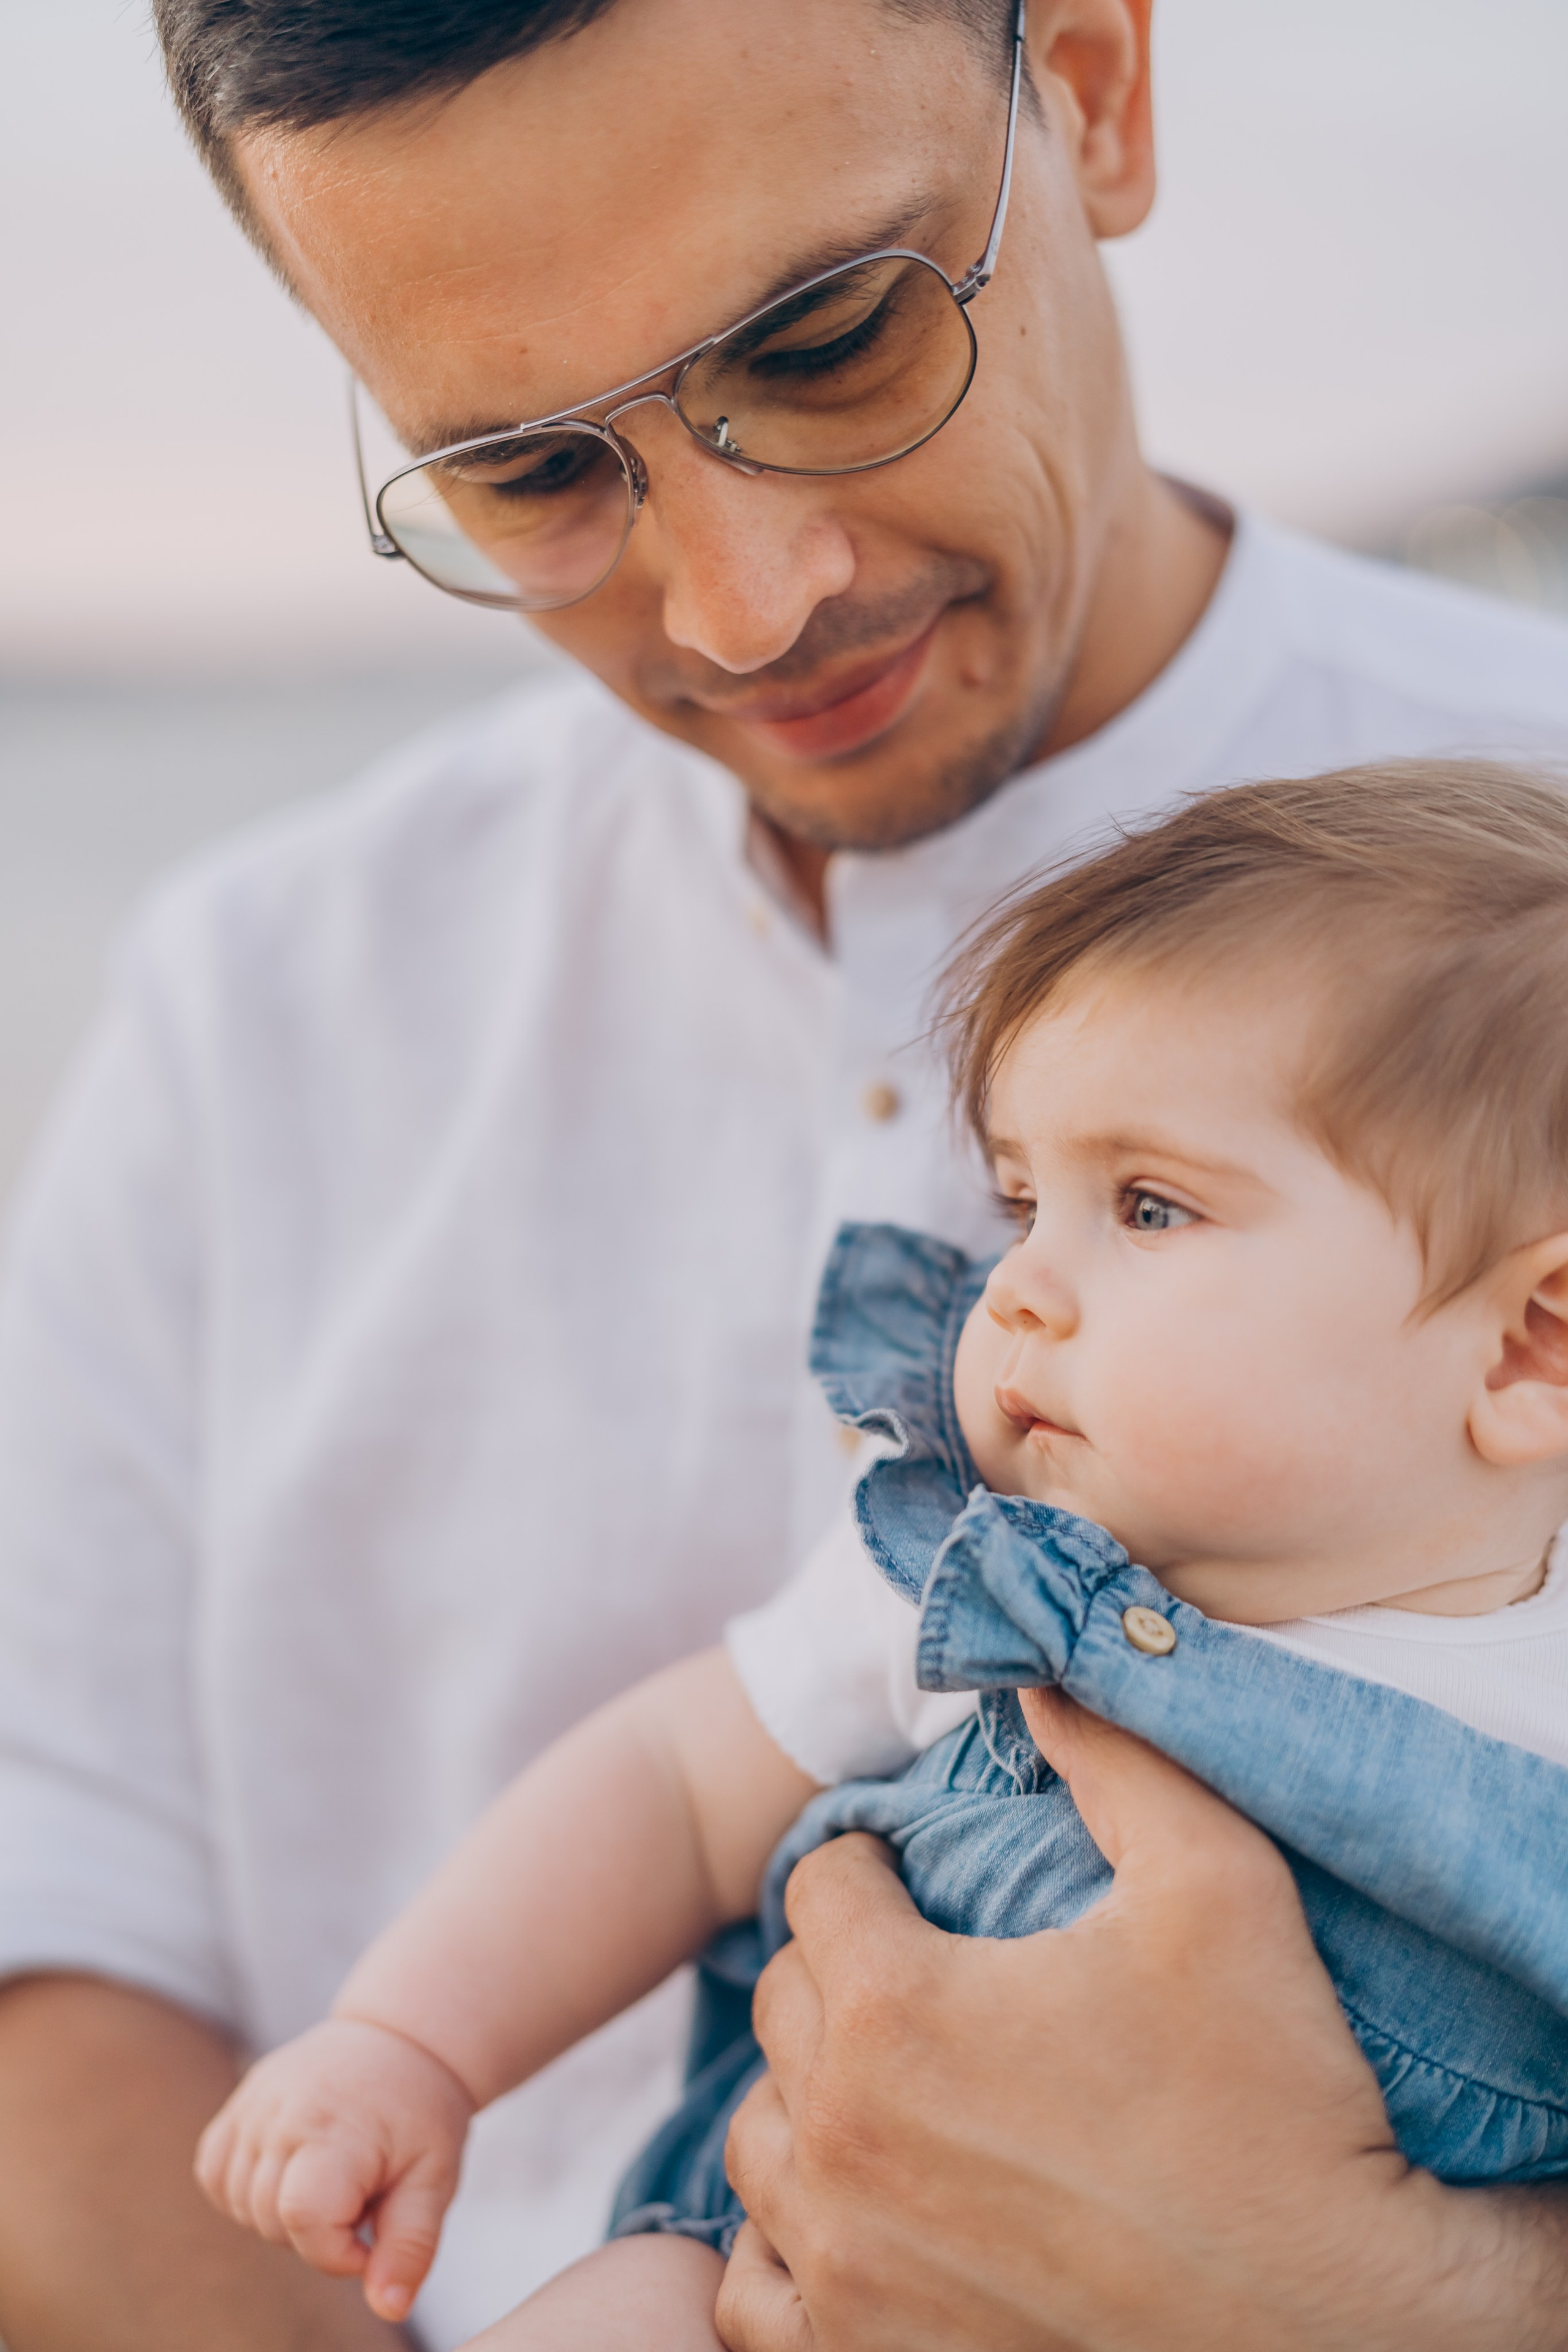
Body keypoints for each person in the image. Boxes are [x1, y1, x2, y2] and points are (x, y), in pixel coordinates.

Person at [2, 0, 1568, 2345]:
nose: (744, 603)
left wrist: (1403, 2299)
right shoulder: (252, 1002)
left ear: (1104, 98)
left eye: (832, 337)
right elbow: (55, 1969)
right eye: (532, 475)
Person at [193, 758, 1568, 2351]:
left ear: (1529, 1346)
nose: (1023, 1291)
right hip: (773, 2277)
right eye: (1017, 1203)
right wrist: (411, 2044)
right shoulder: (978, 1577)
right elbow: (673, 1781)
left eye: (1148, 1208)